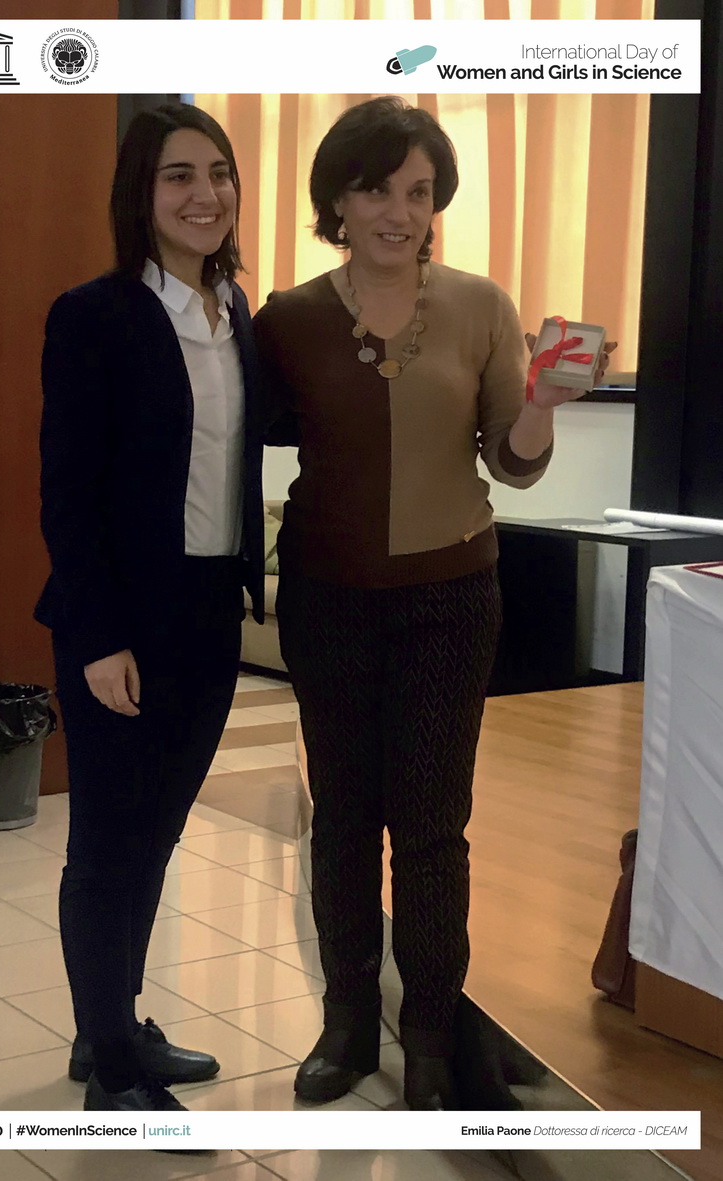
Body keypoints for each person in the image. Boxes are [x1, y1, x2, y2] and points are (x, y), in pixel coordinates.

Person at [253, 96, 615, 1111]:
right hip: (326, 597)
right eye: (376, 189)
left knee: (430, 825)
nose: (399, 212)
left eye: (418, 192)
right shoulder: (287, 319)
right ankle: (344, 1021)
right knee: (340, 818)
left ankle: (429, 1037)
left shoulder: (479, 305)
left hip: (450, 598)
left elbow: (512, 460)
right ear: (336, 199)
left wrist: (542, 403)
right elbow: (239, 432)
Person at [35, 102, 264, 1113]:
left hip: (210, 608)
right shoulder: (95, 313)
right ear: (140, 191)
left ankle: (111, 1025)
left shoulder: (234, 311)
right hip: (122, 620)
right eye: (179, 175)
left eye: (217, 172)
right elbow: (67, 490)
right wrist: (96, 636)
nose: (204, 194)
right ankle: (114, 1072)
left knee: (157, 832)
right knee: (106, 844)